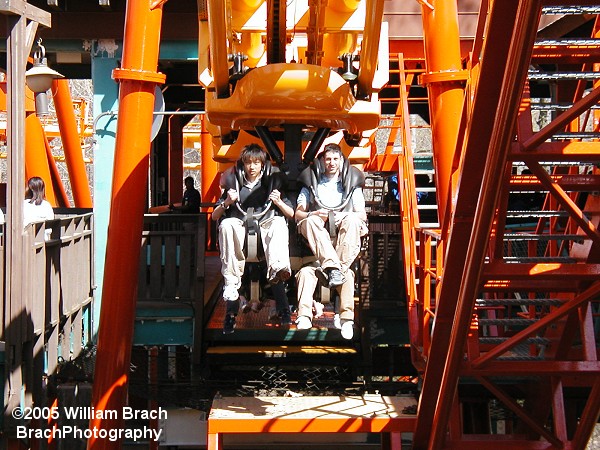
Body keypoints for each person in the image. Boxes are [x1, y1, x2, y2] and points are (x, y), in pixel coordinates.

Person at [212, 143, 294, 334]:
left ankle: (278, 269)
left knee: (279, 223)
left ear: (262, 165)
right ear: (243, 165)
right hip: (241, 230)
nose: (252, 167)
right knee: (226, 224)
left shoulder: (271, 186)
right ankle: (232, 287)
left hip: (265, 231)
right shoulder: (233, 186)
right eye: (248, 162)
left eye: (256, 162)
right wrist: (227, 202)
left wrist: (279, 202)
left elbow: (290, 214)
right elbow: (215, 216)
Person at [295, 143, 367, 336]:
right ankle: (304, 314)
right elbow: (298, 213)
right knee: (310, 222)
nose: (331, 163)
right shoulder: (312, 184)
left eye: (335, 159)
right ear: (322, 162)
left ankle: (345, 316)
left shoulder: (351, 185)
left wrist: (338, 216)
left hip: (343, 236)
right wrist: (315, 212)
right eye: (328, 159)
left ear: (341, 161)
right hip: (318, 234)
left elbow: (361, 215)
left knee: (351, 220)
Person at [295, 263, 356, 339]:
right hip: (316, 265)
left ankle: (346, 318)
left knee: (348, 274)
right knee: (305, 272)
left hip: (338, 267)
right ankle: (304, 315)